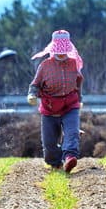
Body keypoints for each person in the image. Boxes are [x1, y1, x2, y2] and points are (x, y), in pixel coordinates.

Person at [27, 30, 84, 173]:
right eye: (59, 51)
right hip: (49, 108)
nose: (61, 54)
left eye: (64, 51)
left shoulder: (73, 63)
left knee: (71, 133)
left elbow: (79, 81)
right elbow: (35, 84)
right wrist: (32, 95)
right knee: (49, 143)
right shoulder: (45, 66)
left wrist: (80, 98)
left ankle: (70, 157)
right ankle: (56, 161)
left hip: (70, 105)